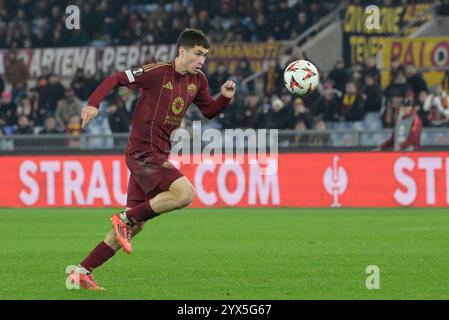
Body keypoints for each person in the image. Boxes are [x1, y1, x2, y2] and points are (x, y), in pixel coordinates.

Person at [67, 29, 236, 290]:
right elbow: (116, 78)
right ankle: (124, 218)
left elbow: (209, 111)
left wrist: (224, 98)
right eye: (198, 54)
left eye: (205, 55)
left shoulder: (198, 81)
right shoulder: (157, 72)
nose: (202, 60)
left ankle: (81, 271)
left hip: (158, 152)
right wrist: (93, 103)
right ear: (183, 51)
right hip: (142, 151)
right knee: (185, 193)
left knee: (136, 225)